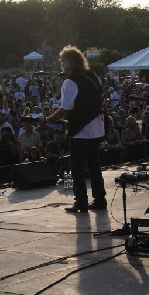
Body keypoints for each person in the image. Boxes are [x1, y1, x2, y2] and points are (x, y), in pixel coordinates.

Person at [46, 45, 107, 213]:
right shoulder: (93, 76)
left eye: (62, 61)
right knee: (94, 166)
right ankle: (100, 199)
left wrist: (49, 119)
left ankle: (81, 202)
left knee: (77, 168)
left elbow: (66, 108)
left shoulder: (70, 81)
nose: (61, 64)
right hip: (96, 128)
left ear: (68, 62)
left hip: (81, 131)